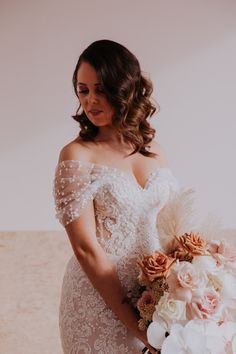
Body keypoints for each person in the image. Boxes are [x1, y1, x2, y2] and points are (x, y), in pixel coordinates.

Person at [53, 39, 180, 354]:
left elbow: (170, 230)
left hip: (153, 297)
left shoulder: (155, 152)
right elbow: (86, 250)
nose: (91, 101)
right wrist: (137, 324)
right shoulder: (77, 155)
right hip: (99, 300)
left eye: (102, 89)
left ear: (127, 90)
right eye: (84, 90)